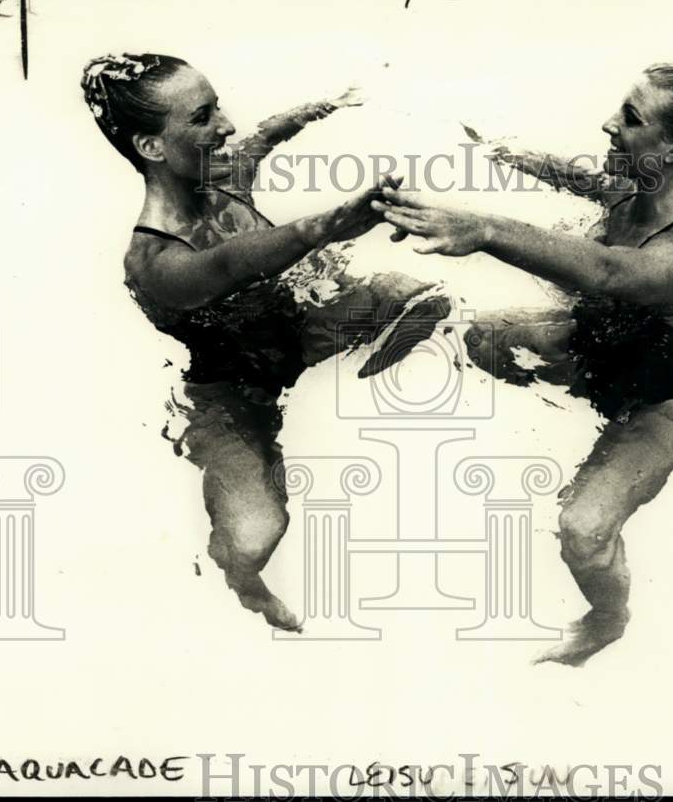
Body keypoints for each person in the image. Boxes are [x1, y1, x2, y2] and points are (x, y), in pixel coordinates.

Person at [374, 58, 673, 665]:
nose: (607, 125)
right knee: (478, 337)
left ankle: (608, 618)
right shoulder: (629, 191)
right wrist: (509, 154)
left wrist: (485, 229)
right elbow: (579, 180)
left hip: (654, 409)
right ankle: (529, 384)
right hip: (586, 351)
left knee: (583, 534)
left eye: (629, 118)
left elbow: (602, 270)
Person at [81, 52, 445, 631]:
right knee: (257, 534)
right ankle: (243, 583)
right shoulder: (155, 260)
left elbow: (266, 134)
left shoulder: (224, 179)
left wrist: (324, 105)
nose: (227, 125)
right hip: (235, 394)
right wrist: (321, 226)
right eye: (204, 116)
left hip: (299, 334)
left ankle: (366, 359)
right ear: (151, 148)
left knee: (421, 293)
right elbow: (230, 264)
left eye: (218, 105)